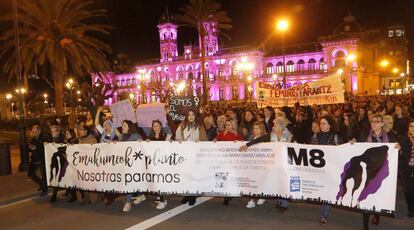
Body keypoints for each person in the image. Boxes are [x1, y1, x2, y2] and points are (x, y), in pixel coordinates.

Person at [358, 113, 397, 229]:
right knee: (365, 196)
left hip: (382, 171)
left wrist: (397, 148)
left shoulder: (389, 137)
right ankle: (365, 226)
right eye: (372, 121)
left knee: (378, 194)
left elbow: (393, 151)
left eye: (376, 121)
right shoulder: (365, 136)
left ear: (382, 124)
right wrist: (352, 144)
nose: (373, 124)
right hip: (368, 172)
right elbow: (358, 150)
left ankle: (377, 214)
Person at [176, 110, 208, 206]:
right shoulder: (181, 126)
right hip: (184, 154)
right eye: (189, 115)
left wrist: (199, 142)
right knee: (185, 175)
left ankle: (192, 195)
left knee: (193, 175)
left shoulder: (199, 126)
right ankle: (186, 194)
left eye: (193, 114)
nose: (190, 116)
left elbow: (204, 140)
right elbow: (177, 138)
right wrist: (179, 142)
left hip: (194, 154)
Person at [317, 115, 342, 224]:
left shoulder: (335, 137)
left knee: (327, 191)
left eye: (324, 123)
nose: (321, 125)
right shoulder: (316, 136)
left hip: (330, 168)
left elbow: (341, 149)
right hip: (318, 168)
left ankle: (324, 215)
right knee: (322, 190)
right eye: (321, 123)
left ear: (330, 125)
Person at [239, 121, 267, 208]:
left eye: (258, 128)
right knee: (252, 181)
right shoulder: (252, 137)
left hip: (262, 163)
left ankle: (262, 195)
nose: (255, 130)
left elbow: (258, 141)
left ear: (262, 129)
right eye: (254, 128)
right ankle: (251, 200)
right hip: (252, 163)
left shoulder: (265, 138)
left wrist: (247, 145)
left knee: (261, 180)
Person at [215, 119, 243, 206]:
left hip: (232, 160)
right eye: (226, 125)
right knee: (223, 176)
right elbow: (216, 138)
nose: (227, 126)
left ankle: (228, 195)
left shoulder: (237, 135)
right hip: (223, 159)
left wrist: (237, 142)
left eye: (229, 125)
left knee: (230, 176)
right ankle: (225, 194)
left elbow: (242, 144)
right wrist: (215, 139)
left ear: (233, 126)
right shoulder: (222, 133)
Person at [120, 120, 144, 212]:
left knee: (130, 181)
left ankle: (128, 202)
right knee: (134, 180)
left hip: (135, 164)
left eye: (124, 125)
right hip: (125, 163)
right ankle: (141, 194)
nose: (122, 127)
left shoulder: (135, 136)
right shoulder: (122, 137)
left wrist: (141, 142)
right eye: (122, 125)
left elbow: (142, 147)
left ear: (129, 127)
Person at [147, 120, 171, 209]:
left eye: (158, 126)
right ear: (152, 128)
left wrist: (171, 142)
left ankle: (162, 200)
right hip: (155, 163)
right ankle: (161, 196)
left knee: (162, 181)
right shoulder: (151, 137)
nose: (156, 128)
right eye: (154, 126)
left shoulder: (165, 136)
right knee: (156, 180)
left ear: (161, 126)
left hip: (163, 162)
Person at [399, 119, 414, 218]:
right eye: (411, 126)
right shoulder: (403, 138)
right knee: (408, 190)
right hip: (406, 168)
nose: (413, 128)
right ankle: (411, 209)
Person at [27, 124, 48, 196]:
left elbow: (45, 148)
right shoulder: (33, 138)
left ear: (39, 131)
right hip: (34, 159)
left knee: (44, 175)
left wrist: (36, 148)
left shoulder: (44, 138)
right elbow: (30, 148)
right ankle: (42, 184)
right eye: (33, 132)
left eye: (35, 131)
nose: (34, 133)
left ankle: (44, 189)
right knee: (30, 174)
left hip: (41, 159)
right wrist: (30, 147)